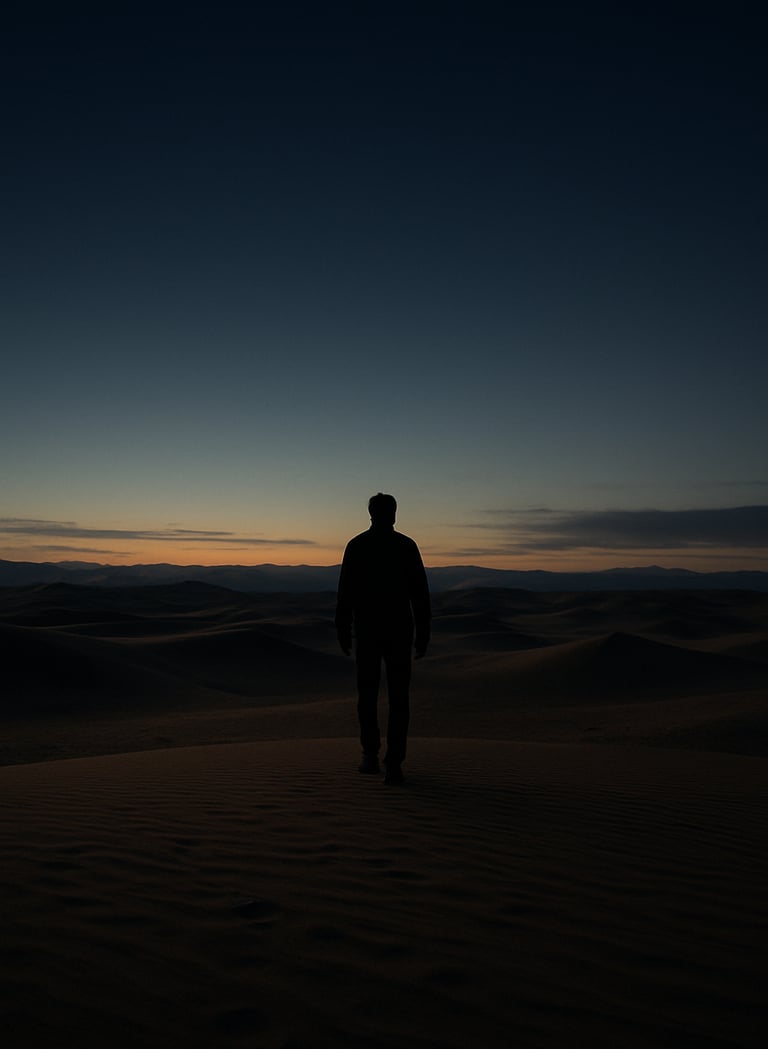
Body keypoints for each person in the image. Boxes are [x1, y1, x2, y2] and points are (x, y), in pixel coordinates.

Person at [335, 493, 431, 784]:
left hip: (371, 631)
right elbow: (420, 594)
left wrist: (343, 628)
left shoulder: (358, 545)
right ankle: (390, 762)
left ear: (371, 513)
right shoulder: (404, 545)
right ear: (391, 513)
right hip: (395, 630)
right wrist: (423, 632)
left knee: (370, 696)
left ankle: (374, 757)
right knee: (395, 698)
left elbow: (345, 593)